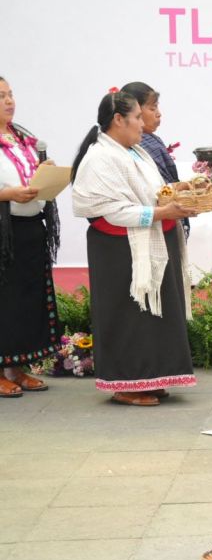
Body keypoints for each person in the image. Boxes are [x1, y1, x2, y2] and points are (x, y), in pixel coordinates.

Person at [71, 89, 198, 406]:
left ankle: (153, 377)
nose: (143, 123)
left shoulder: (135, 152)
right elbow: (113, 210)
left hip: (149, 240)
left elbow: (153, 193)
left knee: (155, 315)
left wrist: (178, 190)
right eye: (138, 117)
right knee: (130, 317)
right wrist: (162, 213)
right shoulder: (100, 157)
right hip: (119, 249)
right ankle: (126, 383)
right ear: (118, 119)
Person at [0, 76, 61, 396]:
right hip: (3, 232)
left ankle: (17, 368)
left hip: (29, 229)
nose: (9, 101)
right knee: (3, 301)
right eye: (1, 96)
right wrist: (7, 194)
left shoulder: (22, 137)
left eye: (10, 94)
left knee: (25, 298)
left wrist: (45, 172)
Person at [121, 81, 188, 236]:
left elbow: (162, 186)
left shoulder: (152, 139)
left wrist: (186, 187)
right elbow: (152, 191)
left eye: (157, 107)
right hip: (147, 225)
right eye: (152, 108)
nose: (159, 113)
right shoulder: (128, 146)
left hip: (165, 220)